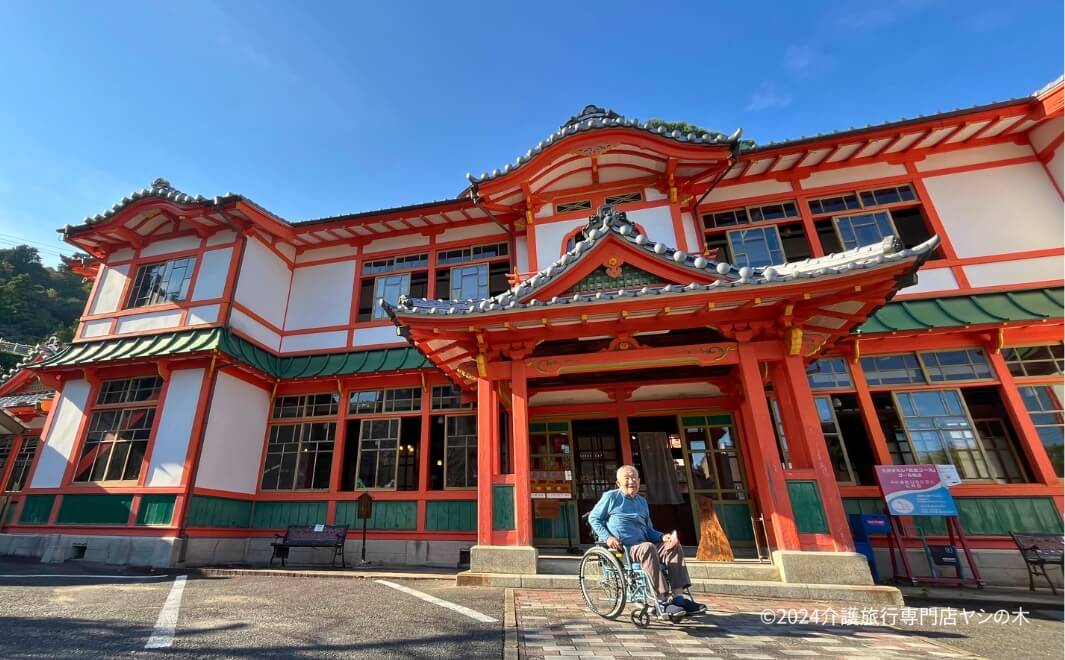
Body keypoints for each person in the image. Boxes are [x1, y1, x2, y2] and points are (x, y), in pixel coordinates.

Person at [588, 464, 704, 616]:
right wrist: (608, 537)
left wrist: (663, 537)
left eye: (634, 478)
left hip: (645, 545)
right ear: (618, 483)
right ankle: (661, 601)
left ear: (639, 480)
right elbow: (594, 518)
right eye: (627, 478)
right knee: (648, 547)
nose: (631, 481)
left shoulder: (642, 501)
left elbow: (649, 530)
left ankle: (678, 598)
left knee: (673, 546)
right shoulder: (611, 497)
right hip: (625, 548)